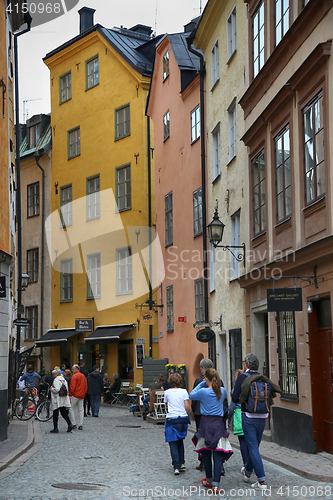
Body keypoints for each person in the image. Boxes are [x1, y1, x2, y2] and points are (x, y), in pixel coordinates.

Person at [232, 353, 281, 491]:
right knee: (255, 448)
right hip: (263, 416)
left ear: (246, 364)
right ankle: (247, 472)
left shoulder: (242, 377)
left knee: (253, 448)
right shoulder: (263, 378)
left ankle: (261, 481)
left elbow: (235, 398)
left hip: (248, 416)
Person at [189, 368, 233, 494]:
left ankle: (209, 479)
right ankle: (216, 485)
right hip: (218, 424)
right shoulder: (222, 391)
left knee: (206, 453)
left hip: (205, 423)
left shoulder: (203, 392)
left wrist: (202, 383)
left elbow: (191, 395)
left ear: (206, 379)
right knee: (217, 455)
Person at [164, 372, 194, 476]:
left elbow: (167, 404)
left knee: (173, 443)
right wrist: (192, 416)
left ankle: (176, 466)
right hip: (182, 419)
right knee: (180, 441)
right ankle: (182, 462)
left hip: (172, 419)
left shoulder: (167, 392)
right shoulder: (184, 391)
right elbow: (187, 406)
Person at [192, 358, 214, 471]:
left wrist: (193, 411)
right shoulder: (217, 381)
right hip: (214, 415)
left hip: (200, 414)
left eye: (201, 367)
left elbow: (193, 397)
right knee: (215, 438)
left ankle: (203, 462)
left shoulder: (199, 381)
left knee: (201, 438)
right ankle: (219, 464)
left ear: (203, 368)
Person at [228, 369, 248, 471]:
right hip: (248, 414)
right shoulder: (248, 388)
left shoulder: (234, 391)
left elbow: (232, 407)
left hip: (239, 416)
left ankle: (245, 463)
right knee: (249, 441)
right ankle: (250, 462)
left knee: (242, 442)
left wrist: (229, 417)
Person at [50, 367, 73, 433]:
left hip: (57, 399)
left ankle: (56, 428)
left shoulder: (56, 380)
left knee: (55, 413)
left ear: (56, 374)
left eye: (54, 374)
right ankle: (70, 424)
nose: (53, 376)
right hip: (63, 398)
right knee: (63, 413)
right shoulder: (63, 380)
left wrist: (51, 389)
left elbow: (57, 389)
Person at [68, 364, 87, 430]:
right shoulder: (83, 376)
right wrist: (84, 393)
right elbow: (85, 386)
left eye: (73, 369)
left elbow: (72, 387)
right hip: (82, 395)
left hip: (75, 395)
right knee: (81, 409)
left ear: (76, 369)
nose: (72, 370)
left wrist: (70, 394)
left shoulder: (74, 376)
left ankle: (74, 423)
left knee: (71, 408)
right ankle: (81, 424)